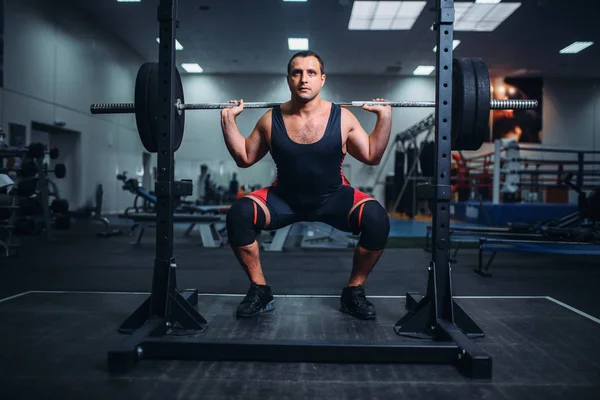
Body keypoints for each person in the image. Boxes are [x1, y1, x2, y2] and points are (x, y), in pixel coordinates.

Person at [220, 50, 392, 320]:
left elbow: (372, 155)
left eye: (311, 73)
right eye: (297, 72)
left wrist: (385, 118)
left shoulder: (343, 117)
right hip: (283, 199)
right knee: (239, 214)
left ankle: (353, 292)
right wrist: (228, 121)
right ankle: (260, 290)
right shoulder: (270, 119)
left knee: (377, 218)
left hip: (334, 198)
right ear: (288, 79)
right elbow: (244, 158)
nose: (304, 79)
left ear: (322, 79)